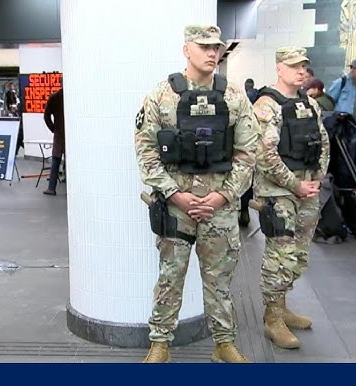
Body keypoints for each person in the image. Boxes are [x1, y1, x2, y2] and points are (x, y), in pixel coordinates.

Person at [135, 25, 258, 363]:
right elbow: (145, 150)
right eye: (203, 46)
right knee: (170, 277)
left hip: (219, 206)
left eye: (216, 47)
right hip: (177, 208)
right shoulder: (162, 95)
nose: (211, 53)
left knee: (219, 280)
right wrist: (175, 194)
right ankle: (160, 342)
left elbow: (248, 153)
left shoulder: (234, 96)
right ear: (186, 49)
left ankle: (224, 342)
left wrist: (223, 196)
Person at [252, 47, 329, 349]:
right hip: (279, 192)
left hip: (307, 188)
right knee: (279, 257)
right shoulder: (266, 106)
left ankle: (282, 306)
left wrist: (317, 178)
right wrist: (295, 184)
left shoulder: (310, 104)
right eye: (294, 66)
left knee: (298, 256)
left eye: (304, 66)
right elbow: (265, 155)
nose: (301, 71)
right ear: (279, 69)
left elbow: (323, 142)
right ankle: (273, 319)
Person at [327, 59, 356, 129]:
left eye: (355, 68)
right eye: (351, 67)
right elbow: (330, 101)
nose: (352, 70)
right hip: (342, 124)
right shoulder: (341, 82)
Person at [42, 88, 64, 195]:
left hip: (59, 133)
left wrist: (54, 129)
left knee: (56, 160)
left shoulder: (54, 97)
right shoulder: (74, 97)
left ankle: (51, 187)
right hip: (73, 134)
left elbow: (46, 116)